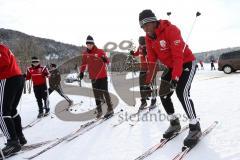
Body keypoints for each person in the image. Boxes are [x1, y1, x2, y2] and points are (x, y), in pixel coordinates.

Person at [139, 9, 202, 147]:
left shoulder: (171, 30)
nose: (145, 29)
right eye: (142, 26)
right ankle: (174, 123)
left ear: (154, 21)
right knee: (164, 93)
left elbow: (178, 56)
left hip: (186, 62)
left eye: (147, 24)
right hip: (171, 66)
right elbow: (152, 61)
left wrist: (176, 77)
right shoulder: (149, 39)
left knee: (182, 92)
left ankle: (195, 126)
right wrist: (147, 82)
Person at [0, 44, 27, 158]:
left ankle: (12, 142)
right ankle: (19, 138)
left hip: (8, 78)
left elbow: (4, 61)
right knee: (11, 110)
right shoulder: (3, 47)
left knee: (2, 112)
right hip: (17, 78)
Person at [79, 35, 114, 119]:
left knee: (105, 92)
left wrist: (105, 60)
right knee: (96, 94)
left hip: (102, 76)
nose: (89, 46)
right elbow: (83, 64)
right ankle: (99, 111)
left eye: (90, 44)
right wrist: (81, 72)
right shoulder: (85, 54)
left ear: (93, 44)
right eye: (87, 44)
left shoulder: (100, 51)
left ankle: (110, 109)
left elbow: (107, 61)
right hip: (93, 77)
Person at [130, 36, 157, 110]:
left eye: (143, 44)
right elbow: (137, 53)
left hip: (151, 68)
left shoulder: (150, 45)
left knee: (152, 84)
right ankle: (143, 101)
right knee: (141, 85)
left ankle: (154, 99)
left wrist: (147, 53)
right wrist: (133, 53)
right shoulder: (140, 47)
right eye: (140, 43)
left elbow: (155, 55)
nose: (142, 45)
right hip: (143, 68)